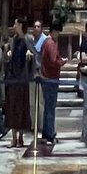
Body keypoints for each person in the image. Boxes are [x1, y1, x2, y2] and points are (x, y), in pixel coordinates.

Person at [3, 20, 33, 151]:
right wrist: (8, 55)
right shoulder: (13, 40)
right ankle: (13, 137)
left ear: (21, 25)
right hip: (13, 78)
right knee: (12, 108)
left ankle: (21, 136)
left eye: (15, 24)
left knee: (21, 108)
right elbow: (8, 58)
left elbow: (35, 56)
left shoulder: (28, 39)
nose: (14, 26)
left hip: (22, 79)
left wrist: (30, 55)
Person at [35, 18, 61, 151]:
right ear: (54, 31)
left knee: (47, 108)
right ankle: (50, 135)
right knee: (50, 108)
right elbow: (53, 60)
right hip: (50, 79)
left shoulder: (45, 41)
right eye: (58, 32)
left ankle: (45, 134)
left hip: (45, 77)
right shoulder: (51, 43)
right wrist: (62, 62)